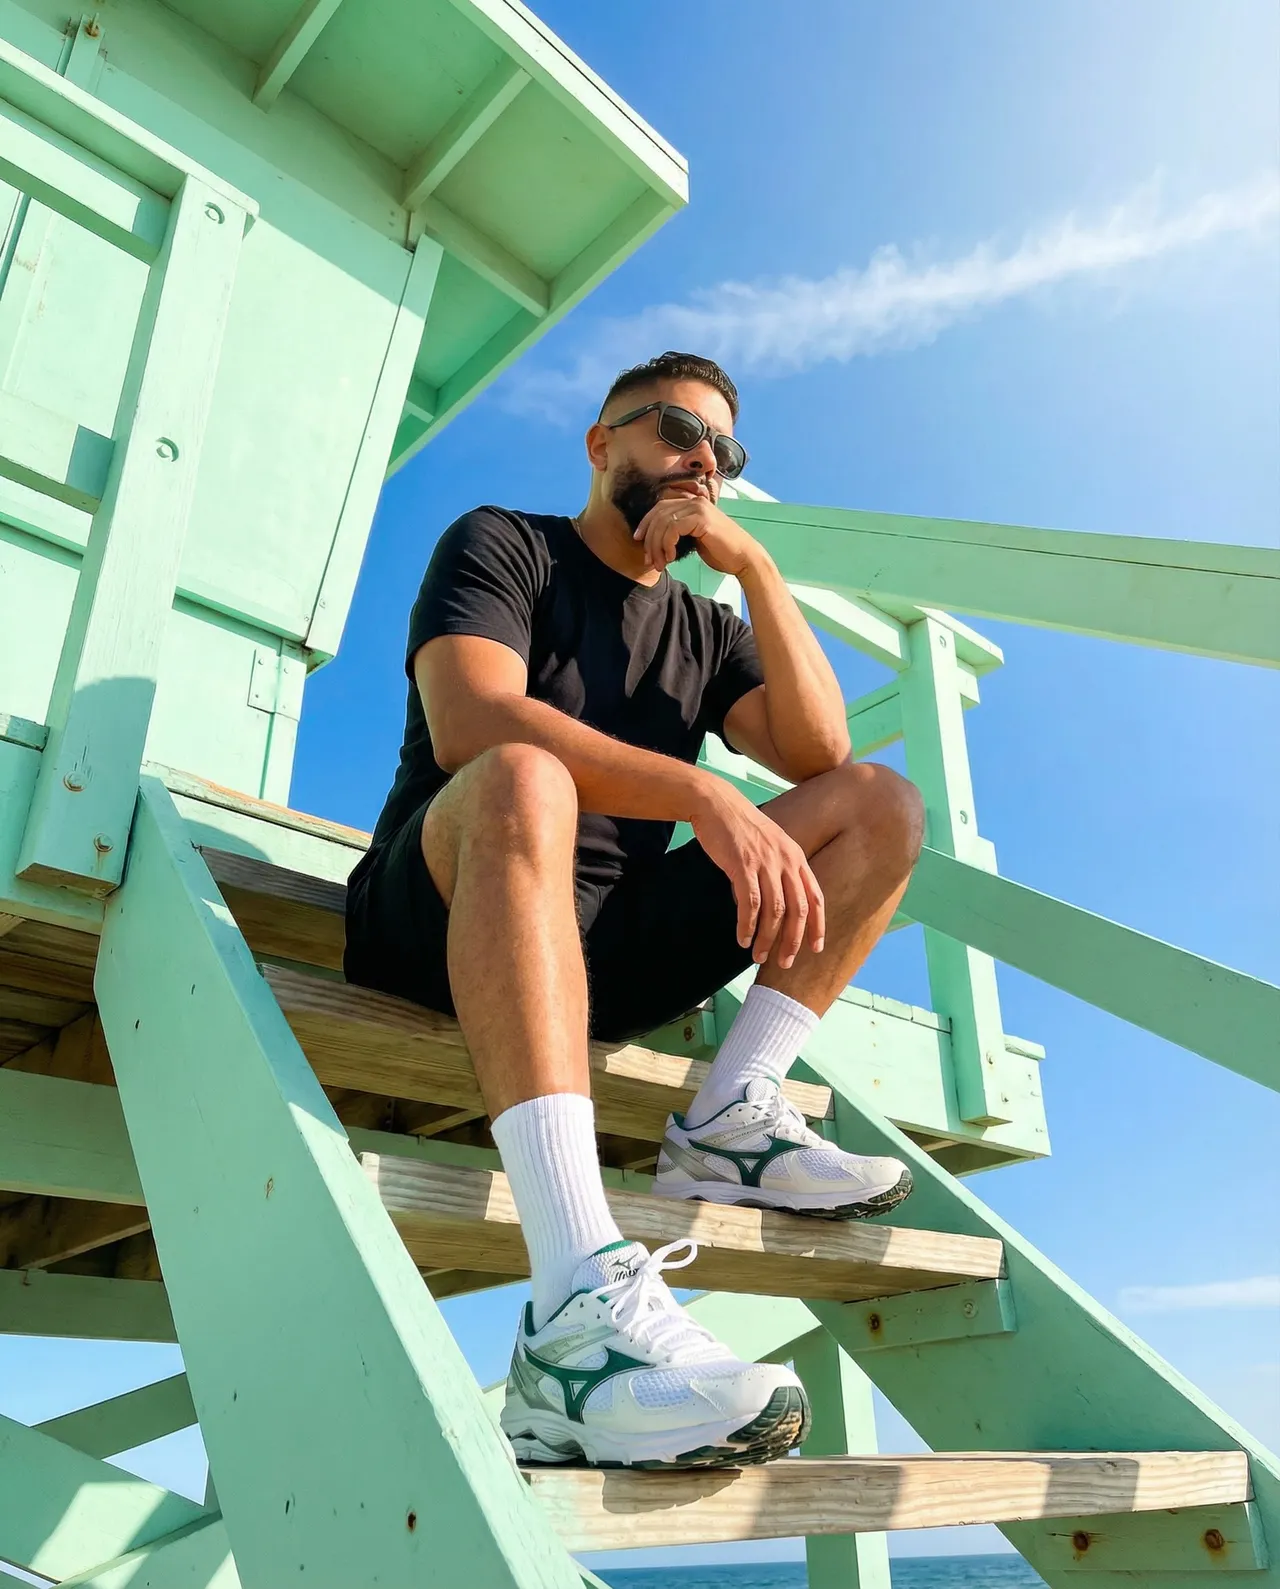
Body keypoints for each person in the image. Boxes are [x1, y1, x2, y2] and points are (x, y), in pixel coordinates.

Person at [345, 351, 924, 1471]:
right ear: (599, 440)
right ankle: (569, 1321)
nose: (697, 460)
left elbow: (819, 752)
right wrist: (702, 789)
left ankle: (729, 1113)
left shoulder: (705, 633)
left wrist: (751, 567)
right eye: (670, 428)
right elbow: (472, 721)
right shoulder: (502, 542)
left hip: (604, 952)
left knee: (879, 807)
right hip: (442, 907)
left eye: (720, 451)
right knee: (524, 774)